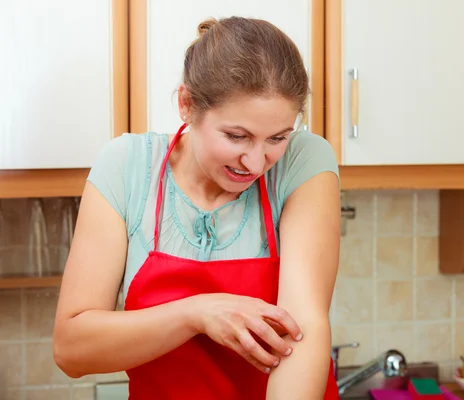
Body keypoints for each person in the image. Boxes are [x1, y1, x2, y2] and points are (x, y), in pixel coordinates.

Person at [52, 16, 342, 400]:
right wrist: (197, 314)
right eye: (237, 136)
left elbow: (303, 328)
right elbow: (72, 350)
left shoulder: (304, 160)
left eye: (277, 137)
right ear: (187, 105)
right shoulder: (128, 166)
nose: (256, 164)